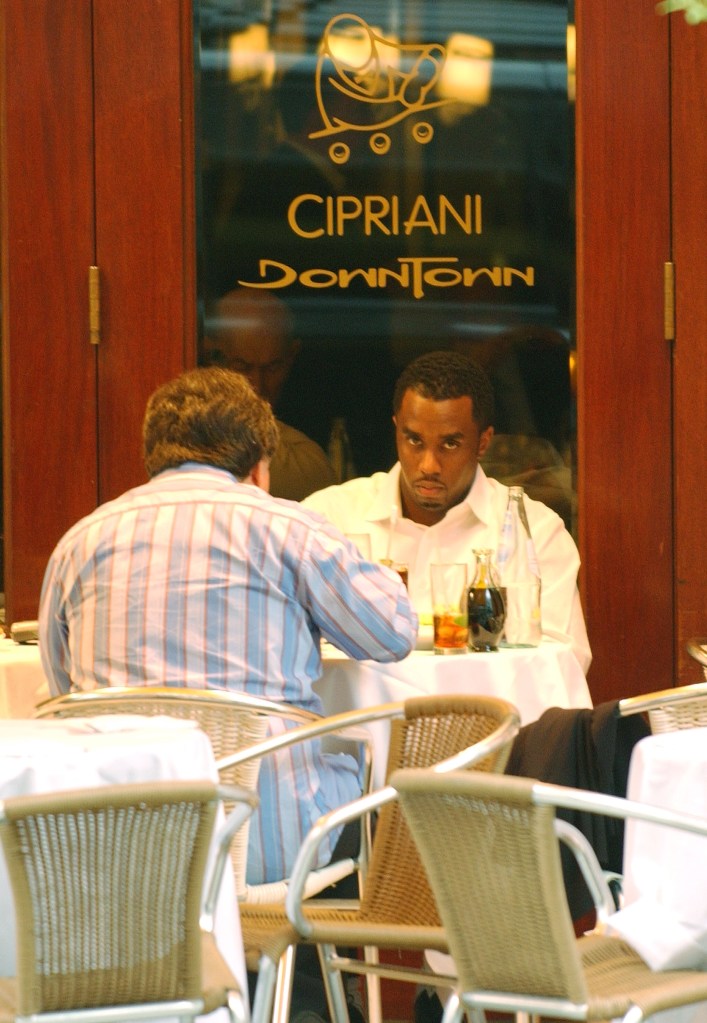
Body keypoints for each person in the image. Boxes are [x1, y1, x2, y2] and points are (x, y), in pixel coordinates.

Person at [38, 366, 417, 888]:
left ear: (154, 458)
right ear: (259, 466)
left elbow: (64, 693)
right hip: (271, 846)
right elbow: (392, 633)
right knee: (367, 787)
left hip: (117, 848)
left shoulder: (80, 542)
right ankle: (297, 965)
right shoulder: (289, 528)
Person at [303, 350, 591, 674]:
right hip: (354, 722)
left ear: (483, 443)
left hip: (488, 720)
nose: (428, 465)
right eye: (414, 440)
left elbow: (563, 663)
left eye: (450, 444)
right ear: (396, 429)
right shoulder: (330, 518)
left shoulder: (535, 534)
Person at [202, 287, 337, 501]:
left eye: (273, 367)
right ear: (212, 356)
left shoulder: (305, 460)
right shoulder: (193, 442)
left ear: (291, 355)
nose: (258, 384)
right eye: (242, 366)